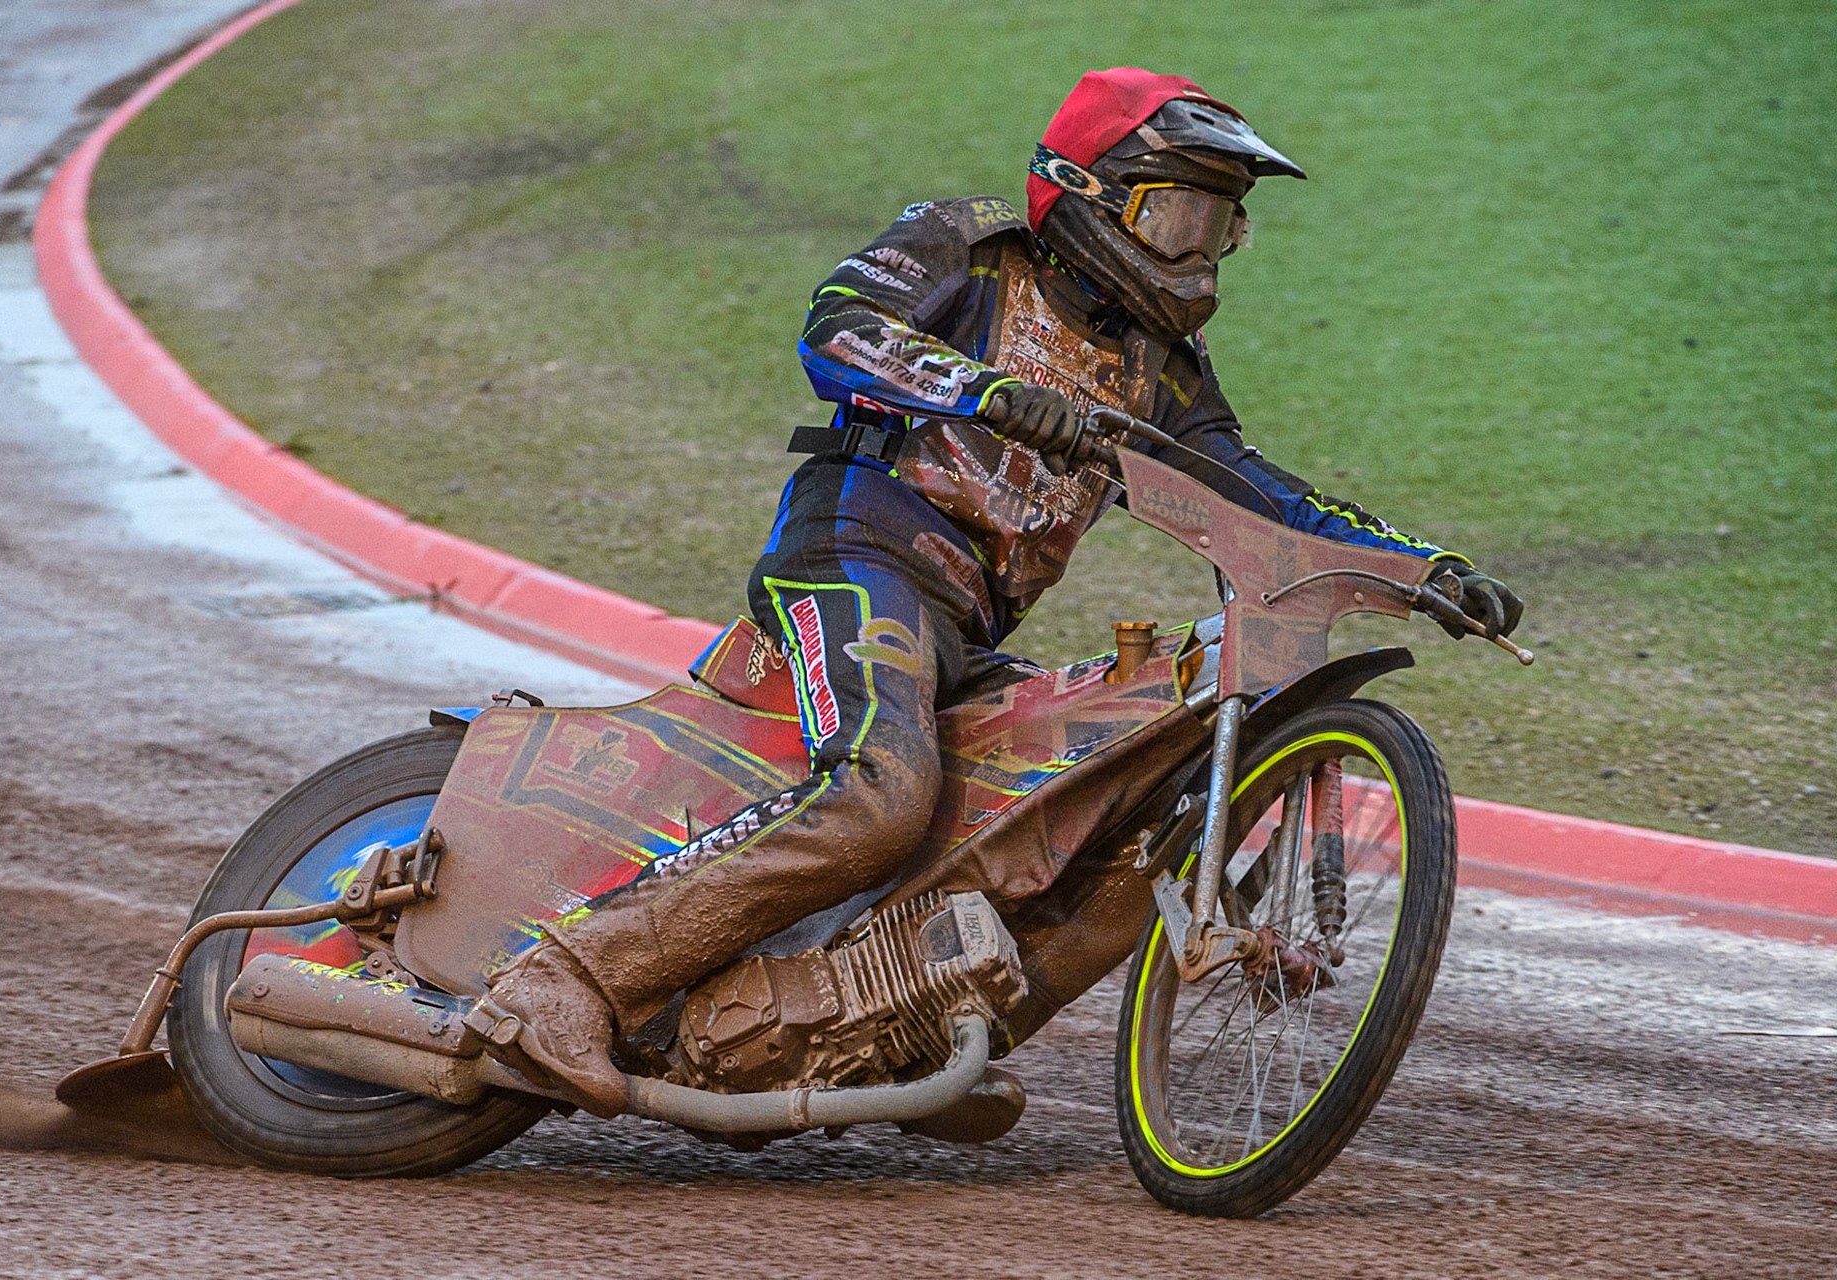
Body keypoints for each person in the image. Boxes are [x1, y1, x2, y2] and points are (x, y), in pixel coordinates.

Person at [471, 67, 1523, 1117]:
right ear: (1087, 192)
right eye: (1177, 217)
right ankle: (559, 982)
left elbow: (1253, 490)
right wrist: (989, 392)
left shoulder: (1164, 364)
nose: (1199, 253)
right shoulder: (967, 245)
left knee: (1113, 817)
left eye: (1221, 227)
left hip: (970, 629)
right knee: (879, 797)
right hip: (853, 556)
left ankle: (896, 1031)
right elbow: (835, 330)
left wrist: (1419, 566)